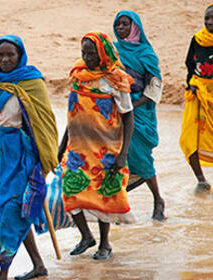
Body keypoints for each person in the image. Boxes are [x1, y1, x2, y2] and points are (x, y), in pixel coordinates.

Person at [0, 35, 58, 280]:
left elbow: (44, 123)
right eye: (1, 55)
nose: (5, 60)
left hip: (24, 156)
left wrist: (43, 160)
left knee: (11, 210)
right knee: (18, 210)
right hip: (3, 154)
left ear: (20, 56)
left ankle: (3, 271)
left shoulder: (32, 83)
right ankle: (38, 265)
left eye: (10, 55)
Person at [59, 31, 135, 260]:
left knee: (104, 197)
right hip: (78, 149)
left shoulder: (114, 79)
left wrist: (123, 154)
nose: (87, 57)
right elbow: (73, 115)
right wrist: (61, 146)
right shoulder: (78, 74)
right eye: (84, 52)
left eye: (91, 53)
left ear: (101, 53)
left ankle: (105, 245)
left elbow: (128, 117)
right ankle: (86, 236)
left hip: (106, 149)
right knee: (70, 192)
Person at [113, 10, 165, 221]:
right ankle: (118, 204)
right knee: (117, 156)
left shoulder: (146, 53)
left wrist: (134, 105)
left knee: (141, 157)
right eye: (118, 25)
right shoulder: (114, 50)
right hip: (118, 106)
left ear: (135, 27)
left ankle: (158, 199)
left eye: (125, 24)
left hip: (140, 110)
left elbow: (154, 85)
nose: (120, 29)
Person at [179, 4, 213, 194]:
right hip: (198, 92)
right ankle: (201, 181)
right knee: (189, 136)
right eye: (206, 19)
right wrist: (191, 83)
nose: (209, 22)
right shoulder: (198, 40)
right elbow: (190, 64)